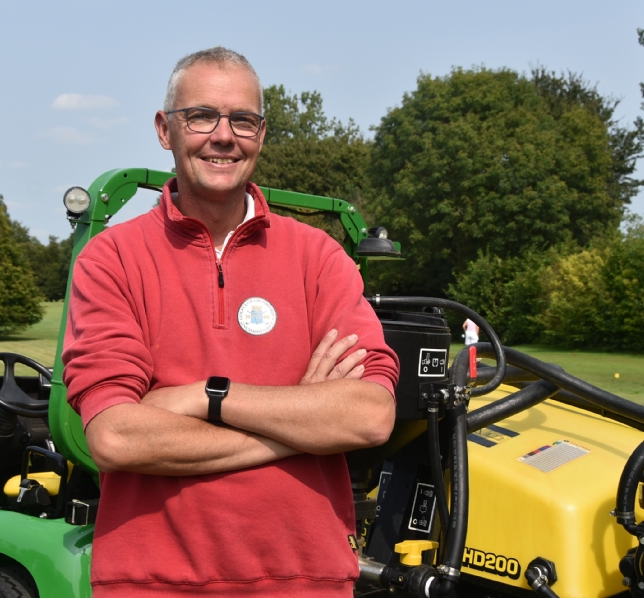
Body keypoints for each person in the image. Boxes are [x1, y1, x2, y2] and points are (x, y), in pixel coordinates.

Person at [62, 46, 400, 597]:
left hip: (307, 582)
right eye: (201, 116)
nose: (224, 136)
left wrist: (206, 396)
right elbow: (117, 436)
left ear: (260, 135)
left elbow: (369, 416)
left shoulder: (318, 257)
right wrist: (299, 428)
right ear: (164, 130)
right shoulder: (112, 258)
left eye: (243, 120)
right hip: (152, 585)